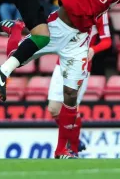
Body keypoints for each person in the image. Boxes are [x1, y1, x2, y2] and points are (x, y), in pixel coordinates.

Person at [0, 0, 120, 158]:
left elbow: (107, 40)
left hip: (79, 42)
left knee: (70, 96)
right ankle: (17, 31)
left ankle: (63, 149)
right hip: (57, 28)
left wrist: (92, 50)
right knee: (15, 57)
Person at [48, 12, 112, 157]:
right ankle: (73, 138)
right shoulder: (69, 5)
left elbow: (107, 41)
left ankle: (73, 149)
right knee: (53, 109)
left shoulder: (100, 12)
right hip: (61, 63)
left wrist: (93, 49)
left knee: (71, 107)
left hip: (81, 66)